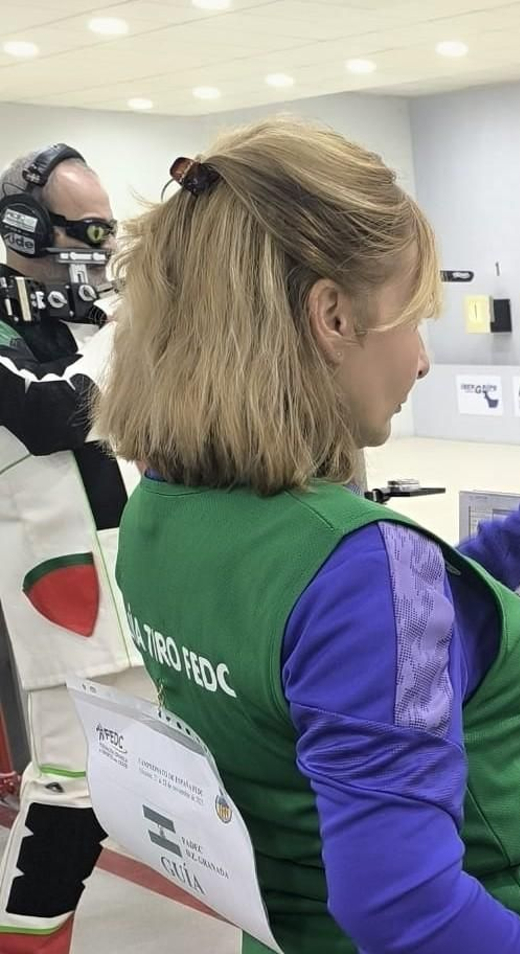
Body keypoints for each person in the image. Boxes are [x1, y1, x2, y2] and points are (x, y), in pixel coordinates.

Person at [96, 117, 520, 954]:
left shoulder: (159, 510)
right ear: (331, 316)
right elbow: (405, 907)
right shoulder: (358, 568)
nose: (422, 360)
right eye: (411, 318)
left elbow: (376, 655)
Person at [0, 143, 152, 954]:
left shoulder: (85, 325)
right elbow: (51, 416)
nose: (100, 249)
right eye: (86, 230)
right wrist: (132, 333)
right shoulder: (89, 340)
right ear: (25, 225)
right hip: (58, 607)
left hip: (144, 590)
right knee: (66, 801)